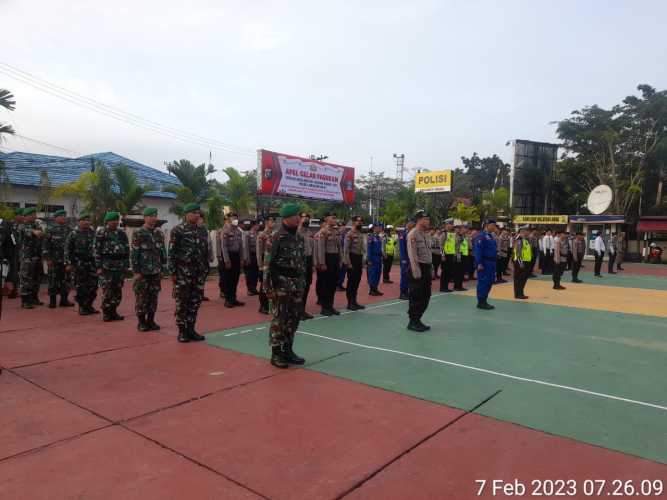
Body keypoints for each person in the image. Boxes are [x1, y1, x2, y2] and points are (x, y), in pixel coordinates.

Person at [264, 203, 307, 368]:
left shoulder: (299, 237)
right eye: (296, 216)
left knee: (294, 318)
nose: (299, 218)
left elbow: (302, 262)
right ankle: (276, 353)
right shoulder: (276, 237)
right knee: (279, 320)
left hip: (297, 285)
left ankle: (288, 350)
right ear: (287, 218)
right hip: (281, 285)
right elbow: (267, 264)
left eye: (299, 215)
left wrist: (302, 283)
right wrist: (268, 288)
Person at [169, 203, 209, 343]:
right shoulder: (177, 230)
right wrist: (173, 272)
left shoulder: (202, 230)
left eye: (198, 213)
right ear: (187, 214)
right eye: (194, 212)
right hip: (183, 273)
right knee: (182, 302)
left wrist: (205, 270)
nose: (197, 215)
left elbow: (205, 252)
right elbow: (172, 253)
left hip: (198, 273)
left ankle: (191, 329)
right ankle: (182, 331)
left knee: (195, 302)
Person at [131, 207, 166, 332]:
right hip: (143, 272)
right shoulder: (138, 232)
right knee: (141, 297)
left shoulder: (159, 233)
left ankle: (151, 320)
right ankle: (141, 322)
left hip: (156, 271)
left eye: (155, 216)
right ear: (145, 218)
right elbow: (135, 253)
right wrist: (136, 271)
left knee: (153, 297)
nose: (153, 218)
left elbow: (162, 251)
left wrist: (163, 268)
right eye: (150, 216)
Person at [94, 211, 130, 322]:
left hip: (119, 266)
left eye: (116, 220)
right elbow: (97, 251)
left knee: (117, 290)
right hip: (107, 266)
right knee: (108, 290)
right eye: (112, 220)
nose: (114, 222)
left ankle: (114, 311)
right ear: (107, 221)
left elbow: (126, 249)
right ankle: (106, 313)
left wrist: (126, 265)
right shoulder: (101, 233)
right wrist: (98, 267)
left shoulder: (121, 233)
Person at [64, 212, 98, 315]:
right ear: (79, 222)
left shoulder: (92, 233)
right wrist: (68, 263)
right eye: (84, 220)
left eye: (88, 220)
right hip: (79, 263)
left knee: (93, 286)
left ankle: (89, 305)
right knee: (81, 286)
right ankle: (82, 307)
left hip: (91, 263)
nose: (87, 222)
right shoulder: (73, 234)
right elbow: (67, 249)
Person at [406, 210, 432, 332]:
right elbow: (412, 255)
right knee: (416, 296)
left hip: (426, 268)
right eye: (425, 219)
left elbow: (428, 253)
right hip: (417, 268)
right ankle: (413, 321)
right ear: (419, 220)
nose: (428, 221)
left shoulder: (426, 234)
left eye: (428, 219)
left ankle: (418, 318)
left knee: (426, 296)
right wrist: (416, 271)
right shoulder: (413, 234)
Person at [42, 209, 73, 308]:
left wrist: (70, 261)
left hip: (66, 261)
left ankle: (64, 300)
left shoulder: (69, 230)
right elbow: (45, 246)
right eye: (61, 216)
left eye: (64, 216)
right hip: (54, 260)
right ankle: (52, 301)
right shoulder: (50, 230)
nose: (63, 218)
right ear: (56, 218)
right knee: (53, 281)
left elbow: (72, 246)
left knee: (66, 281)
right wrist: (48, 259)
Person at [314, 212, 341, 316]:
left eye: (335, 218)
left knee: (333, 284)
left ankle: (330, 306)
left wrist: (340, 259)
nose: (335, 220)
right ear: (326, 219)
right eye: (333, 218)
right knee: (326, 284)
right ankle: (324, 308)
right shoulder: (323, 232)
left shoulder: (335, 231)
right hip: (327, 258)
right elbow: (320, 248)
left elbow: (339, 247)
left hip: (335, 258)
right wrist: (322, 263)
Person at [19, 207, 44, 309]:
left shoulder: (37, 225)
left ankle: (34, 298)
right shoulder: (22, 225)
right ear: (26, 216)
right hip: (27, 257)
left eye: (35, 214)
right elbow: (29, 231)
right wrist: (35, 232)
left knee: (36, 278)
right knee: (26, 278)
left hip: (37, 256)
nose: (34, 216)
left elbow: (42, 234)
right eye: (32, 214)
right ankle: (25, 300)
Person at [218, 212, 245, 308]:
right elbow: (223, 247)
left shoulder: (238, 231)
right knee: (227, 279)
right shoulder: (225, 231)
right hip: (228, 256)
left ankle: (233, 298)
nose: (235, 220)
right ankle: (228, 300)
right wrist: (226, 260)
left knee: (235, 278)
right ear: (228, 219)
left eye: (236, 218)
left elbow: (241, 246)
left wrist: (242, 258)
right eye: (233, 218)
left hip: (236, 256)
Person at [473, 219, 498, 310]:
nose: (494, 227)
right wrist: (479, 263)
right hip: (484, 262)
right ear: (487, 225)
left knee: (490, 281)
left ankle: (484, 300)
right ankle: (481, 302)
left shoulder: (490, 236)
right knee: (483, 282)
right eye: (493, 225)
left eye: (495, 226)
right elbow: (478, 250)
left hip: (491, 262)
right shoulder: (481, 236)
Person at [343, 215, 366, 310]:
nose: (360, 222)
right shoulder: (350, 234)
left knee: (357, 281)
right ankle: (350, 303)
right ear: (353, 222)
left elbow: (362, 249)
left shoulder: (360, 234)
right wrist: (348, 263)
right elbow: (346, 250)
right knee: (351, 282)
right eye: (358, 221)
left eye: (361, 221)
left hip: (358, 259)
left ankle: (354, 301)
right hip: (352, 258)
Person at [256, 214, 276, 315]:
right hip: (265, 260)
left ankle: (270, 305)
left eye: (274, 221)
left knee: (272, 283)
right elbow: (259, 252)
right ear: (266, 222)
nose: (273, 223)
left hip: (273, 260)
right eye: (271, 220)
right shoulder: (262, 235)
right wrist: (260, 265)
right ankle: (263, 305)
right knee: (264, 284)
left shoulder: (275, 234)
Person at [297, 212, 314, 320]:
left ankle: (302, 310)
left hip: (308, 260)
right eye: (304, 218)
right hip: (300, 261)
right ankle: (297, 311)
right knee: (300, 287)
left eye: (307, 218)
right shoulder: (296, 233)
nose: (306, 220)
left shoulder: (309, 232)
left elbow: (312, 249)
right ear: (299, 219)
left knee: (307, 285)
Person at [7, 207, 24, 299]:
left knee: (17, 272)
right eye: (21, 215)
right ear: (16, 216)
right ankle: (12, 291)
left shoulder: (22, 225)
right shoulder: (11, 225)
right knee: (12, 271)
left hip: (19, 252)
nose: (22, 217)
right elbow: (12, 239)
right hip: (12, 252)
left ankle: (14, 290)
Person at [512, 226, 532, 299]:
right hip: (520, 262)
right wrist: (521, 263)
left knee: (523, 278)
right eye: (527, 231)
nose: (528, 232)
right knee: (519, 278)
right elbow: (518, 252)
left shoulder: (525, 240)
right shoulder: (519, 240)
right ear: (522, 231)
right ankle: (518, 294)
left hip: (526, 262)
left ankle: (521, 292)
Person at [241, 219, 260, 296]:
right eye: (257, 225)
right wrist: (246, 258)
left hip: (256, 255)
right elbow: (246, 247)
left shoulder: (258, 234)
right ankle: (250, 289)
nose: (258, 226)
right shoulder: (247, 234)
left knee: (256, 273)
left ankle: (254, 288)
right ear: (254, 225)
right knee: (249, 273)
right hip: (250, 255)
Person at [366, 222, 384, 296]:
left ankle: (375, 289)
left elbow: (379, 248)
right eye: (379, 227)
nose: (380, 228)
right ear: (375, 228)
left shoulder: (379, 237)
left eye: (380, 227)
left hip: (378, 258)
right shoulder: (371, 237)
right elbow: (369, 249)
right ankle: (372, 290)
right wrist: (369, 259)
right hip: (373, 258)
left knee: (378, 273)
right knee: (372, 274)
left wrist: (382, 255)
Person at [397, 220, 413, 300]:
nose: (411, 224)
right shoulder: (402, 234)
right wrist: (403, 259)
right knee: (404, 275)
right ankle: (403, 293)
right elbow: (402, 248)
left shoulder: (412, 233)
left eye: (412, 222)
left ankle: (407, 292)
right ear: (406, 224)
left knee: (410, 276)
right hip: (405, 258)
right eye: (409, 223)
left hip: (411, 258)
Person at [440, 219, 455, 292]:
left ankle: (446, 286)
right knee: (445, 272)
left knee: (449, 272)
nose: (451, 225)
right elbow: (441, 246)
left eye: (452, 224)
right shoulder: (444, 234)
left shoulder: (452, 234)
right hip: (445, 255)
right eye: (450, 224)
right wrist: (443, 255)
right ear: (446, 225)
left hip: (451, 255)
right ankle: (443, 287)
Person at [452, 223, 468, 291]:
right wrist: (460, 235)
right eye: (463, 228)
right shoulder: (455, 236)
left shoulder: (464, 236)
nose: (465, 230)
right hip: (458, 255)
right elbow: (456, 244)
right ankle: (457, 286)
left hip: (464, 255)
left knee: (461, 271)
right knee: (458, 271)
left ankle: (460, 285)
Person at [337, 222, 348, 292]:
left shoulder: (345, 236)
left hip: (345, 257)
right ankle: (337, 285)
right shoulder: (338, 236)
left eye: (344, 227)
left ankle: (340, 284)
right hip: (339, 257)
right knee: (339, 271)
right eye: (341, 227)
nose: (343, 228)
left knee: (343, 272)